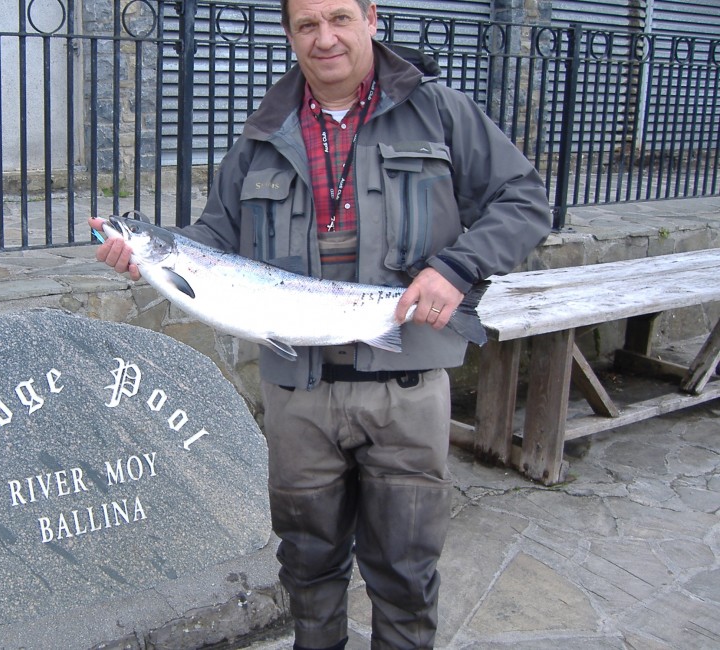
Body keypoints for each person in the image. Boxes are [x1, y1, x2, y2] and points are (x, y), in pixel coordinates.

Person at [91, 0, 552, 647]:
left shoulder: (441, 111)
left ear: (372, 18)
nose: (325, 37)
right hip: (297, 397)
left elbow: (526, 200)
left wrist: (456, 269)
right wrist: (146, 255)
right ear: (289, 34)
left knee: (405, 571)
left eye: (339, 17)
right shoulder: (262, 134)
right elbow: (212, 239)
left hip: (407, 388)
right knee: (307, 568)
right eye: (307, 24)